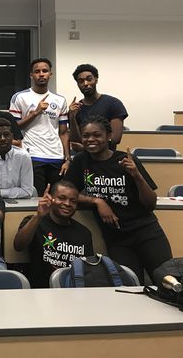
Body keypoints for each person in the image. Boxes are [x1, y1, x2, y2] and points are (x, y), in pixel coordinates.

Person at [64, 116, 172, 284]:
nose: (91, 139)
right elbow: (66, 193)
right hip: (117, 238)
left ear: (108, 136)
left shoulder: (125, 160)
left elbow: (151, 204)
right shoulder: (81, 161)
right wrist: (97, 201)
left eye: (96, 135)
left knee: (168, 281)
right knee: (129, 287)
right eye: (86, 136)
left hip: (147, 232)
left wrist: (137, 176)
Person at [13, 180, 94, 288]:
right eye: (62, 198)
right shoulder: (34, 221)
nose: (67, 204)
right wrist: (38, 216)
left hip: (72, 290)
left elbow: (88, 270)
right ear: (51, 198)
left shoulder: (84, 233)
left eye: (73, 201)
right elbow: (18, 246)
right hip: (40, 291)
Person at [9, 58, 70, 196]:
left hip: (56, 156)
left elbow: (64, 132)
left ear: (50, 74)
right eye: (37, 71)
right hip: (32, 155)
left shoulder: (60, 100)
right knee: (37, 197)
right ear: (31, 75)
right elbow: (14, 128)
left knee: (56, 198)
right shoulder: (20, 97)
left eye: (45, 71)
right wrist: (35, 113)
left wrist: (67, 158)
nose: (41, 74)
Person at [69, 64, 128, 152]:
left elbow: (115, 139)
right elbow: (75, 142)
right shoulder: (76, 109)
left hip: (107, 159)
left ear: (96, 80)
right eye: (81, 81)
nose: (85, 84)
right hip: (83, 160)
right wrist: (72, 117)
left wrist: (85, 148)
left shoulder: (113, 104)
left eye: (89, 79)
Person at [0, 117, 35, 199]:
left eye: (6, 135)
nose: (3, 139)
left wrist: (0, 192)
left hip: (18, 204)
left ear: (12, 136)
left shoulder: (23, 157)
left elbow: (27, 191)